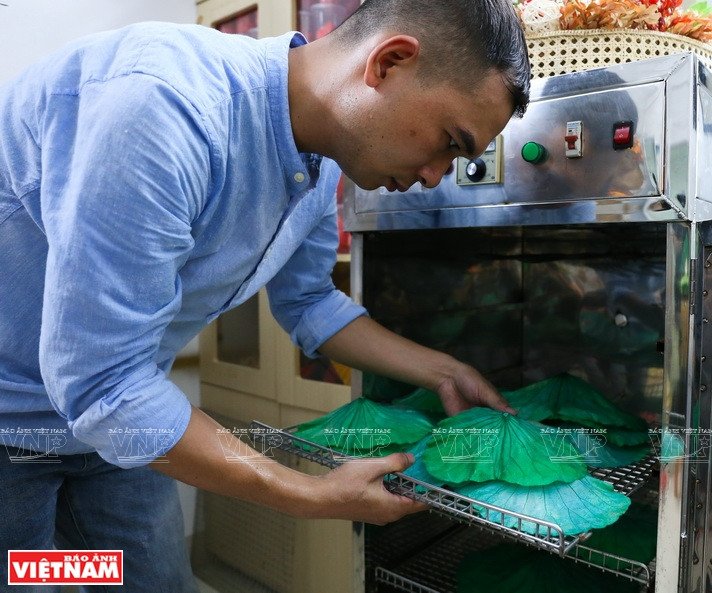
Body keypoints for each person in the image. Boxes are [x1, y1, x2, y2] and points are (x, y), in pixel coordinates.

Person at [0, 0, 530, 589]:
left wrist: (445, 372)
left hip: (119, 424)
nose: (434, 176)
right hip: (17, 414)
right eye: (450, 142)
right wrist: (309, 493)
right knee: (30, 579)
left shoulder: (321, 161)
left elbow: (309, 303)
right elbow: (103, 380)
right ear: (388, 63)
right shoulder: (164, 107)